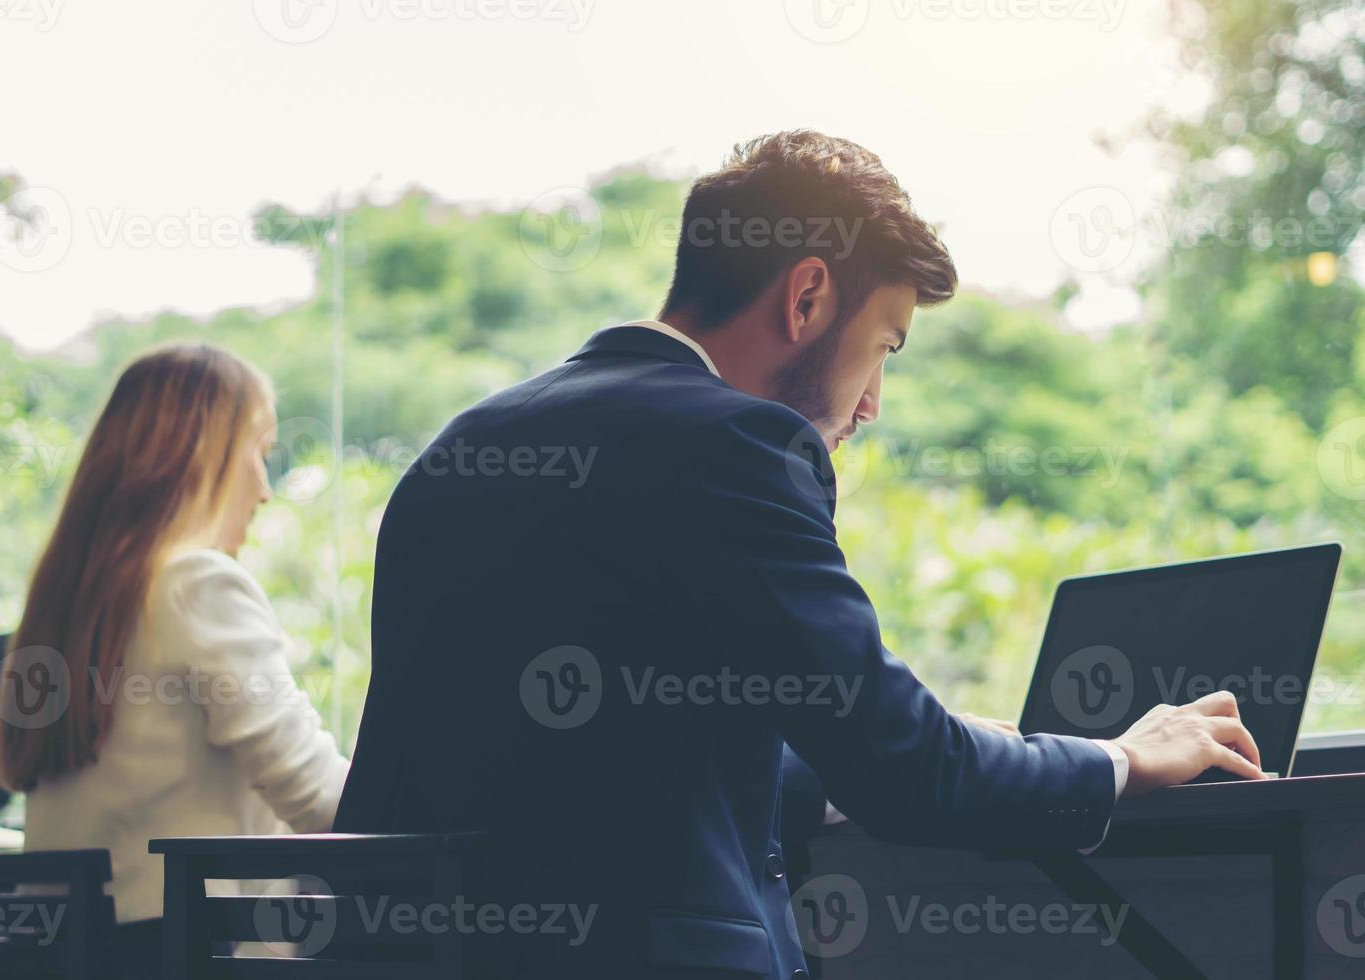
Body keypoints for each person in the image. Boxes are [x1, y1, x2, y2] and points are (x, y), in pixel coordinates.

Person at [335, 130, 1263, 978]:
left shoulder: (464, 444)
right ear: (808, 294)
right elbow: (905, 775)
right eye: (884, 347)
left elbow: (590, 754)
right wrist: (1122, 759)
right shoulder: (737, 444)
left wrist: (935, 735)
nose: (871, 406)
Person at [0, 343, 349, 970]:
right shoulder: (195, 582)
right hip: (188, 953)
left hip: (69, 956)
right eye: (260, 454)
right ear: (196, 456)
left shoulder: (68, 604)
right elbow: (320, 799)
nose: (264, 491)